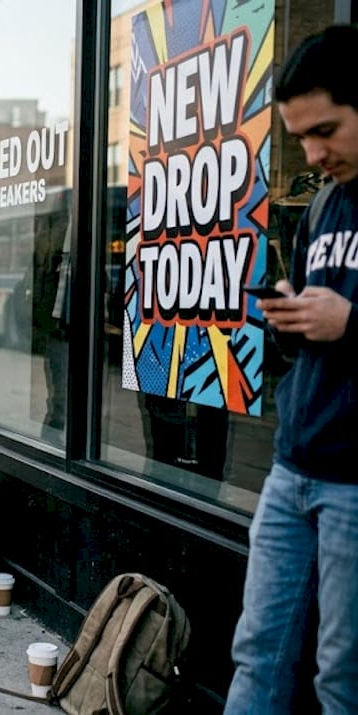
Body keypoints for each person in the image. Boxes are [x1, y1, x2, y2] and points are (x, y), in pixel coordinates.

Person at [224, 25, 358, 714]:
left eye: (325, 131)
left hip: (354, 483)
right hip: (292, 466)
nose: (312, 154)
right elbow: (312, 333)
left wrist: (350, 321)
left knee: (342, 677)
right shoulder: (326, 204)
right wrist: (290, 319)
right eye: (300, 137)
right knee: (257, 652)